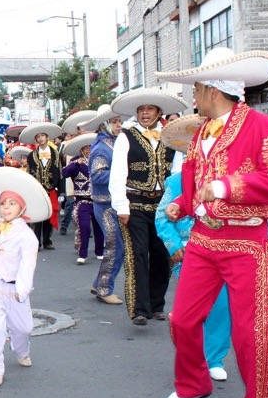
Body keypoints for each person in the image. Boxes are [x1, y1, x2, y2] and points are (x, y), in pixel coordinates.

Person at [157, 48, 268, 398]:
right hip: (204, 238)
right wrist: (183, 204)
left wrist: (228, 187)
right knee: (182, 319)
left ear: (213, 90)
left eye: (196, 88)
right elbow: (196, 181)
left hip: (249, 242)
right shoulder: (201, 133)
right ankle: (193, 383)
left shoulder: (264, 127)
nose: (193, 95)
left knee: (252, 333)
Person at [154, 115, 231, 383]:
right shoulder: (176, 181)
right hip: (188, 253)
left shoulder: (227, 180)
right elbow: (162, 217)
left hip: (224, 250)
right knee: (192, 311)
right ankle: (192, 357)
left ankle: (215, 358)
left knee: (222, 305)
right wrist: (174, 245)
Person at [108, 87, 185, 325]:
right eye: (141, 109)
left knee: (162, 254)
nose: (145, 113)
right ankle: (140, 308)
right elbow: (118, 173)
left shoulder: (171, 136)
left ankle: (156, 304)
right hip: (136, 203)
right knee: (139, 254)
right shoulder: (126, 136)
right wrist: (121, 206)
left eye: (149, 109)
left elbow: (178, 172)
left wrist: (177, 203)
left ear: (159, 111)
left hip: (163, 206)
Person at [0, 167, 49, 387]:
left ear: (22, 207)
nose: (6, 208)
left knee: (23, 328)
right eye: (3, 203)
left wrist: (22, 290)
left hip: (15, 289)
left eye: (12, 204)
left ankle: (21, 350)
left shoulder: (27, 236)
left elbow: (27, 265)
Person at [78, 105, 124, 305]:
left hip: (111, 203)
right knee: (115, 247)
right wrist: (122, 175)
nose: (119, 125)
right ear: (105, 124)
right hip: (104, 205)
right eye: (115, 122)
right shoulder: (101, 148)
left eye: (119, 121)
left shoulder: (112, 143)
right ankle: (104, 289)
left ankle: (99, 284)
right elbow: (97, 176)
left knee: (116, 247)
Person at [61, 134, 104, 265]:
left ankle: (99, 251)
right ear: (81, 149)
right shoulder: (75, 161)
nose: (88, 150)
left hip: (97, 200)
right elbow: (64, 173)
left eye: (90, 147)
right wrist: (75, 164)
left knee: (99, 227)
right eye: (85, 148)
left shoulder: (99, 160)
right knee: (84, 227)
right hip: (82, 200)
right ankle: (82, 253)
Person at [20, 122, 63, 250]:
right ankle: (37, 242)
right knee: (38, 216)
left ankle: (47, 240)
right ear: (36, 139)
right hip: (38, 190)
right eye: (38, 137)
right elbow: (29, 174)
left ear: (47, 137)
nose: (40, 138)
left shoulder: (55, 153)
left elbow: (59, 172)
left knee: (49, 215)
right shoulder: (31, 156)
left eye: (42, 136)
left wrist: (61, 191)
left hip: (51, 189)